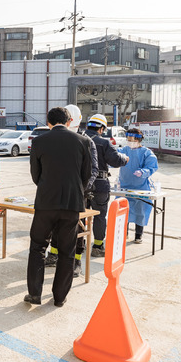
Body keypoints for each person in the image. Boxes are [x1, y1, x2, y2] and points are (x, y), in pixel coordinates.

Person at [25, 107, 92, 307]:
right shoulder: (84, 142)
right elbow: (86, 176)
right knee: (66, 251)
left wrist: (48, 188)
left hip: (46, 202)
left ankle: (35, 294)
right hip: (72, 204)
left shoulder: (39, 142)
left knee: (38, 247)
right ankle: (59, 297)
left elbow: (35, 175)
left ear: (48, 122)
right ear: (69, 121)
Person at [45, 104, 98, 277]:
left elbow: (93, 170)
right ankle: (53, 254)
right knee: (54, 225)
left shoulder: (87, 142)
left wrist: (80, 190)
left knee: (78, 229)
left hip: (78, 195)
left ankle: (76, 261)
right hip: (56, 193)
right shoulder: (56, 139)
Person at [82, 114, 129, 257]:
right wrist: (125, 159)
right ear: (101, 128)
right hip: (100, 185)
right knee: (100, 216)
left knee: (80, 214)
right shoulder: (104, 143)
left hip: (82, 184)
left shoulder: (79, 140)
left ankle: (79, 243)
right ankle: (97, 246)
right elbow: (116, 160)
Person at [118, 128, 158, 243]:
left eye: (132, 139)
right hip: (124, 186)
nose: (130, 141)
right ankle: (124, 234)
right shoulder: (123, 150)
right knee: (123, 211)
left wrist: (143, 172)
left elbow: (152, 166)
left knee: (140, 212)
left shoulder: (146, 152)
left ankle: (138, 235)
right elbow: (113, 157)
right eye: (128, 139)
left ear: (139, 140)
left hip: (140, 187)